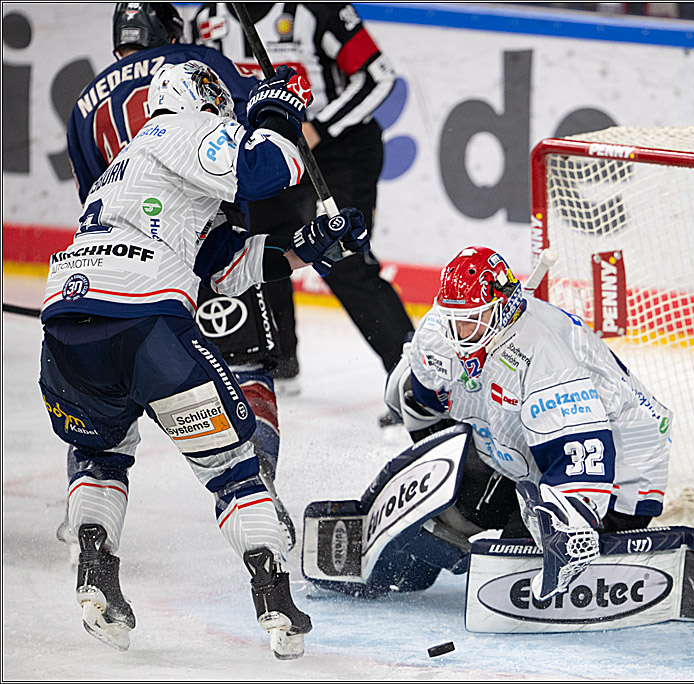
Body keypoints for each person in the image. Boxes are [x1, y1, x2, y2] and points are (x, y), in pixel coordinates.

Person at [40, 55, 368, 658]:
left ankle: (95, 570)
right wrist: (276, 113)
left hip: (66, 330)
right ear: (200, 96)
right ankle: (274, 600)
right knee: (233, 467)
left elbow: (227, 266)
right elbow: (265, 169)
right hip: (145, 328)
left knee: (99, 451)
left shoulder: (135, 166)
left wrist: (311, 250)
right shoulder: (177, 128)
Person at [62, 2, 296, 550]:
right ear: (172, 30)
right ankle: (255, 488)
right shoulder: (196, 61)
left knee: (100, 400)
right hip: (201, 244)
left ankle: (90, 511)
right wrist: (279, 95)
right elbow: (249, 137)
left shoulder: (83, 102)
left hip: (106, 268)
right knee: (245, 367)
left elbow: (93, 196)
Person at [384, 246, 673, 600]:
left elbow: (582, 457)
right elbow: (419, 396)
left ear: (502, 308)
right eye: (453, 317)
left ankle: (572, 538)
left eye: (472, 318)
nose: (459, 330)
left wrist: (568, 537)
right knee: (443, 507)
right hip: (525, 452)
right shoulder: (440, 331)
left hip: (617, 474)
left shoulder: (546, 357)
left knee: (512, 569)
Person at [190, 3, 415, 402]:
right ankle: (279, 361)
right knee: (259, 248)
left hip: (337, 149)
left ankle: (412, 384)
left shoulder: (315, 9)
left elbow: (379, 77)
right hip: (264, 152)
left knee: (342, 257)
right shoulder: (206, 19)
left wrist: (320, 126)